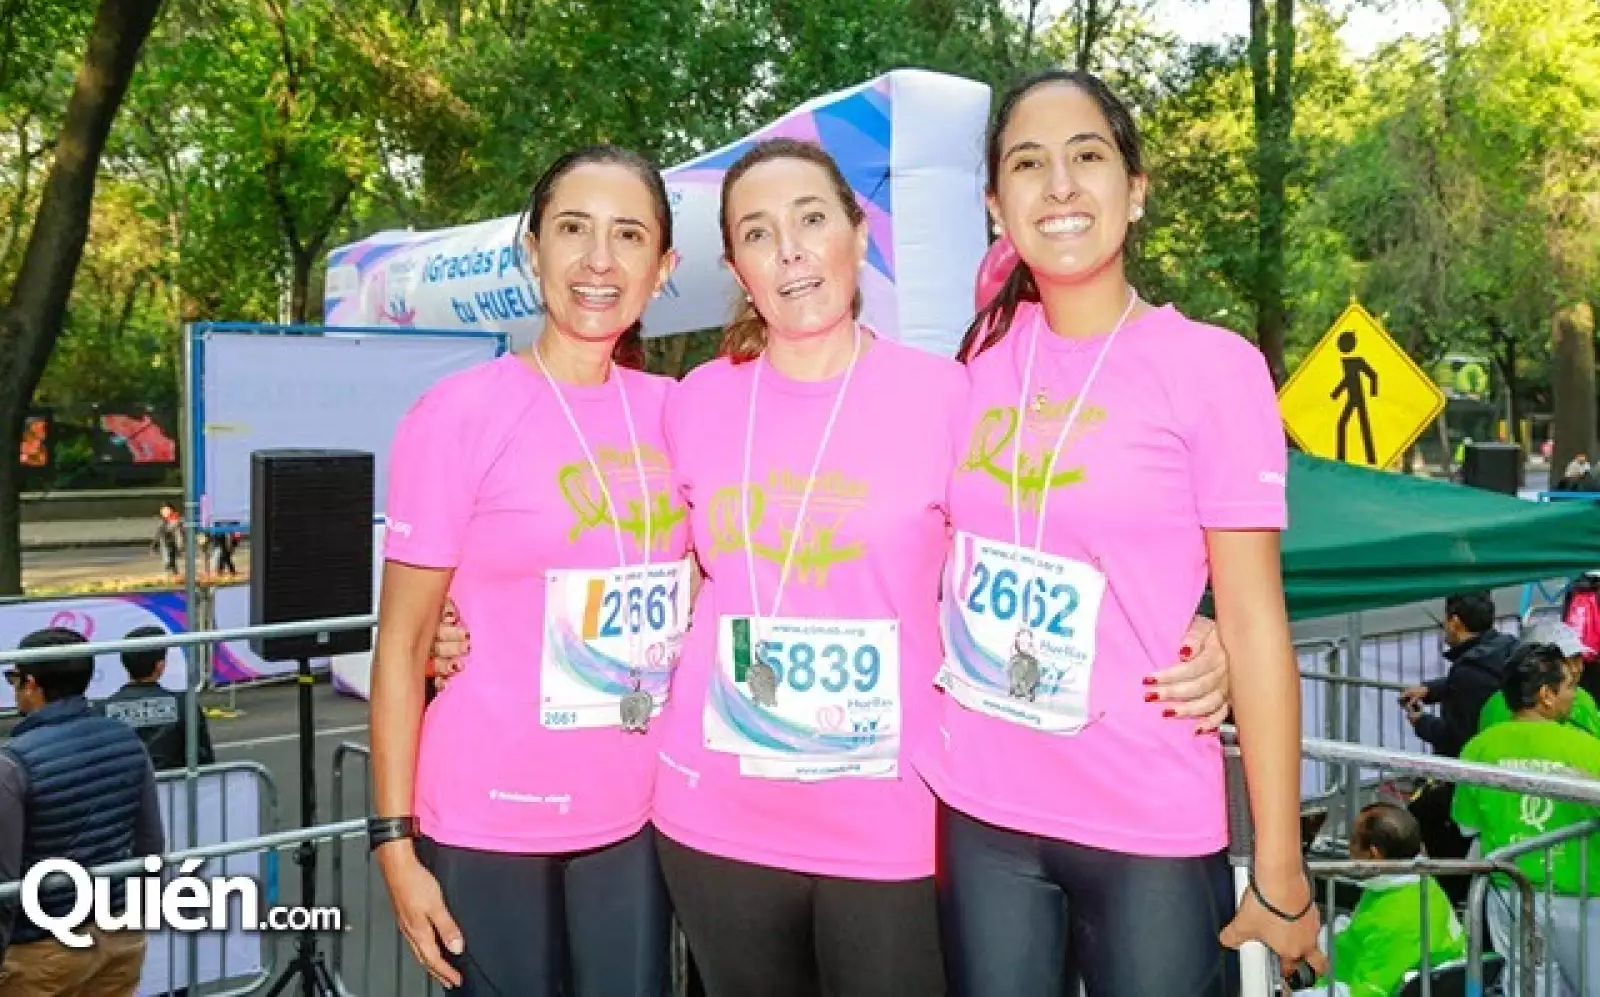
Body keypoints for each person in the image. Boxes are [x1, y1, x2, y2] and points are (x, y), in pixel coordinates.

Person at [426, 138, 1237, 996]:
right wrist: (459, 617)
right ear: (738, 266)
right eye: (758, 233)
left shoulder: (951, 394)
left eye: (812, 219)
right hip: (715, 817)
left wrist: (1199, 625)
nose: (791, 250)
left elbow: (1046, 528)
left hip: (893, 823)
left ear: (859, 236)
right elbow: (628, 543)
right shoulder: (691, 401)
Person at [920, 68, 1324, 995]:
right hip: (984, 813)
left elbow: (1258, 623)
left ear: (1135, 190)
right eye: (1028, 164)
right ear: (996, 203)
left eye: (1087, 157)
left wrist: (1282, 867)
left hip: (1146, 816)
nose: (1059, 185)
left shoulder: (1212, 367)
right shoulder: (970, 365)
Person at [368, 145, 691, 996]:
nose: (597, 260)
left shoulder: (684, 413)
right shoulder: (458, 413)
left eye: (628, 235)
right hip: (487, 813)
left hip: (639, 814)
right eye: (572, 229)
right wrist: (393, 843)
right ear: (531, 249)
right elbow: (401, 645)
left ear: (664, 268)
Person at [0, 627, 164, 996]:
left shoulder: (14, 763)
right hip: (118, 928)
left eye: (13, 678)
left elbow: (5, 881)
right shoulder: (127, 740)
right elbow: (151, 844)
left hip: (43, 943)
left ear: (30, 684)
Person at [1453, 641, 1600, 997]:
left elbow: (1466, 825)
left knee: (1528, 989)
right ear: (1546, 695)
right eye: (1569, 687)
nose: (1574, 695)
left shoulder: (1479, 748)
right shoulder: (1588, 748)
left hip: (1510, 894)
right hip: (1582, 897)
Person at [1296, 803, 1466, 997]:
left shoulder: (1394, 919)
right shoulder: (1422, 886)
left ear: (1374, 853)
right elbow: (1358, 930)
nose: (1349, 849)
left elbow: (1364, 993)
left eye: (1352, 840)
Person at [1400, 591, 1517, 758]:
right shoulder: (1506, 647)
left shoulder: (1467, 670)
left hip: (1479, 766)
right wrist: (1429, 690)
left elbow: (1457, 740)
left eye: (1445, 619)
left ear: (1455, 623)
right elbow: (1482, 681)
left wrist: (1421, 722)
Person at [98, 626, 216, 771]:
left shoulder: (102, 711)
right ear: (160, 666)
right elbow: (204, 761)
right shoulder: (184, 705)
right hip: (177, 790)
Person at [1480, 621, 1600, 738]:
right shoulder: (1496, 705)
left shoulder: (1583, 699)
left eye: (1578, 657)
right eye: (1566, 659)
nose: (1576, 668)